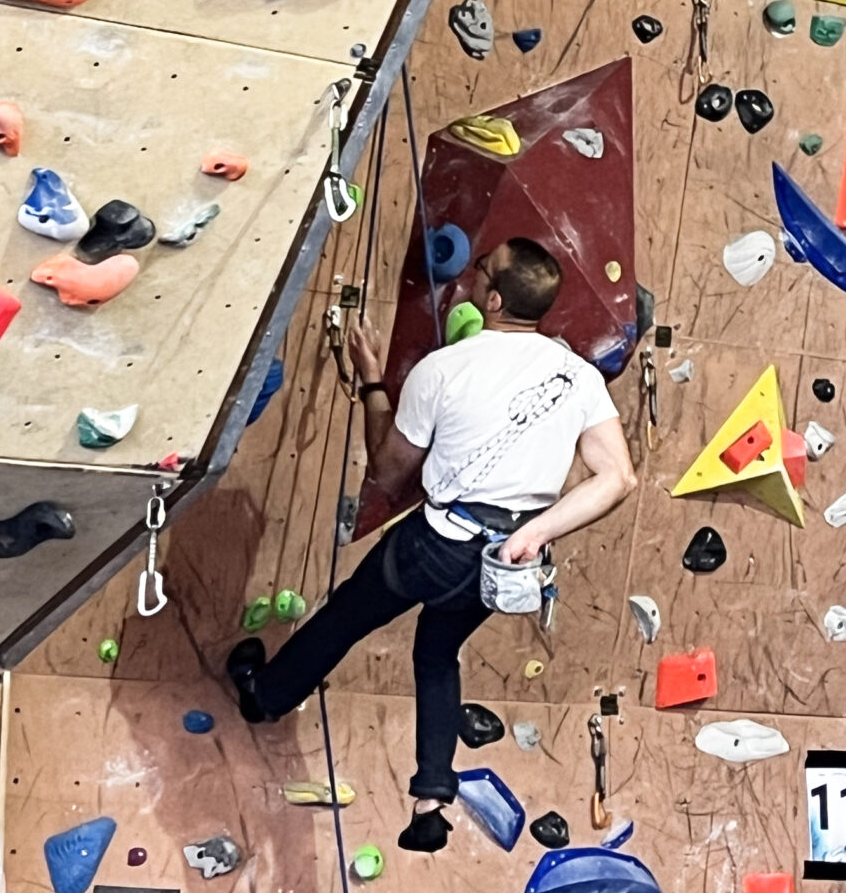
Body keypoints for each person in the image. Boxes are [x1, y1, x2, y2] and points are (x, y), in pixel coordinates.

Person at [228, 238, 637, 854]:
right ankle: (431, 800)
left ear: (493, 300)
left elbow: (388, 471)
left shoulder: (444, 369)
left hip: (436, 546)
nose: (473, 274)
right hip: (504, 564)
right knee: (439, 653)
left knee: (346, 617)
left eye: (483, 270)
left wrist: (372, 378)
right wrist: (535, 532)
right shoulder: (579, 378)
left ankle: (263, 698)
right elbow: (618, 477)